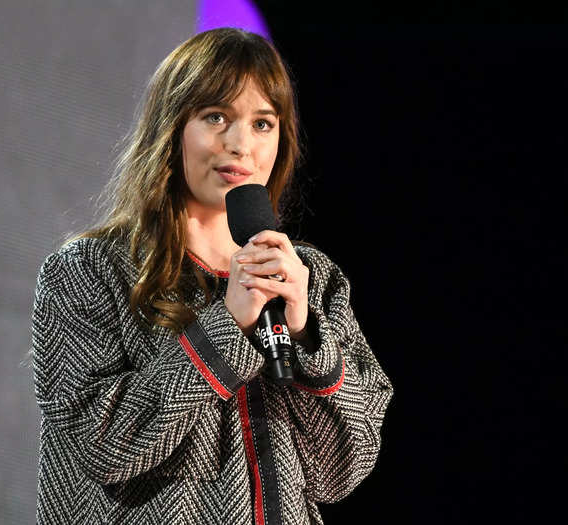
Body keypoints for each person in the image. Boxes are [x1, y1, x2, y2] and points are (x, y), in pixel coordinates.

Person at [30, 27, 394, 525]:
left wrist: (307, 334)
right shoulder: (88, 271)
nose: (241, 144)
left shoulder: (312, 279)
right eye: (216, 117)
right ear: (172, 128)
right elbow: (104, 447)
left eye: (263, 123)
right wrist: (226, 327)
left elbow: (343, 470)